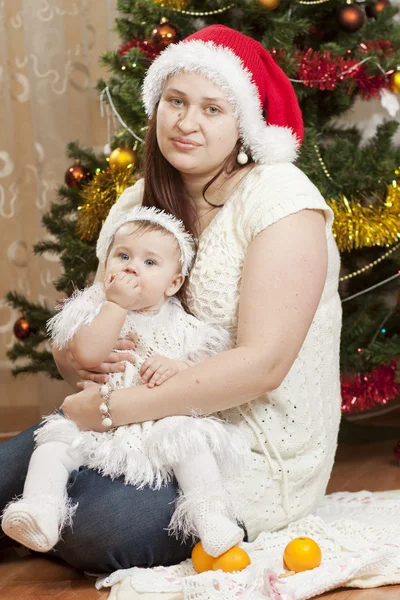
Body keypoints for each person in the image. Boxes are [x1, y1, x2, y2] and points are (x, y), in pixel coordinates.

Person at [0, 24, 342, 574]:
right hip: (131, 422)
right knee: (6, 472)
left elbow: (265, 365)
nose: (185, 122)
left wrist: (111, 410)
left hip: (242, 444)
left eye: (212, 109)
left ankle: (53, 516)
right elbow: (89, 326)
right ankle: (40, 511)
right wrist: (77, 357)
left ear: (244, 124)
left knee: (100, 529)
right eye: (175, 101)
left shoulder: (282, 202)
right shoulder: (139, 202)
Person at [1, 206, 250, 559]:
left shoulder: (183, 325)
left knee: (191, 446)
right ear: (106, 268)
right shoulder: (100, 311)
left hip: (162, 422)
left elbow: (206, 372)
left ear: (174, 283)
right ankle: (41, 510)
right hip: (100, 427)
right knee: (52, 448)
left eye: (150, 263)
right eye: (123, 256)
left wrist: (176, 366)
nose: (132, 266)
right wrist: (115, 305)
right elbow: (86, 355)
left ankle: (208, 514)